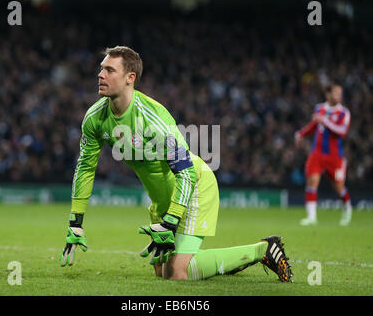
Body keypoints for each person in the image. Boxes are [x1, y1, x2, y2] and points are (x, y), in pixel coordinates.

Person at [60, 45, 292, 282]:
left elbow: (186, 173)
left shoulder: (152, 118)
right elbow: (85, 168)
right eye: (101, 69)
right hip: (162, 200)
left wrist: (170, 222)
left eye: (109, 70)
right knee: (163, 272)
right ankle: (216, 264)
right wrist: (75, 221)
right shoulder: (94, 118)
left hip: (194, 187)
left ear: (130, 78)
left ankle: (263, 250)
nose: (100, 75)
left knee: (178, 273)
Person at [295, 84, 352, 226]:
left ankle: (347, 208)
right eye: (336, 93)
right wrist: (301, 133)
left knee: (339, 187)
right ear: (328, 94)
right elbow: (314, 126)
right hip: (317, 153)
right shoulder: (319, 108)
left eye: (340, 93)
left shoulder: (344, 113)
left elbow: (342, 131)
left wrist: (324, 121)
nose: (339, 96)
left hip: (335, 156)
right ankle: (311, 217)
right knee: (312, 181)